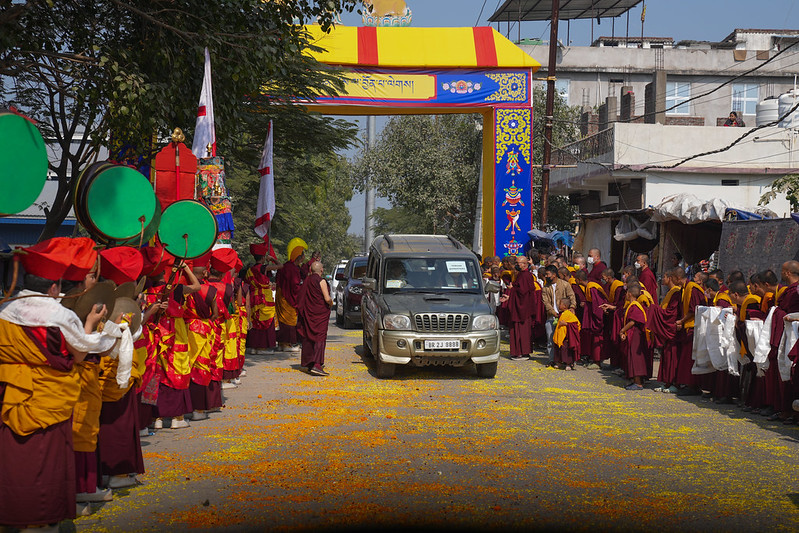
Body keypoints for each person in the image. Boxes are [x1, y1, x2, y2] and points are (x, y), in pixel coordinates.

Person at [0, 237, 114, 529]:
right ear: (53, 287)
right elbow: (78, 353)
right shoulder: (58, 314)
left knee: (13, 458)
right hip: (50, 397)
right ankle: (42, 519)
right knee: (46, 459)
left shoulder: (5, 309)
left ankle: (10, 514)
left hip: (11, 392)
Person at [674, 267, 707, 395]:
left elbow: (694, 310)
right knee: (686, 357)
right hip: (688, 326)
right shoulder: (685, 288)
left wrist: (682, 321)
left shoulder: (692, 289)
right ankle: (689, 384)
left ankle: (692, 385)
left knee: (690, 358)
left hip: (694, 327)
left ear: (677, 278)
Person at [297, 261, 333, 376]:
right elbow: (327, 299)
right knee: (319, 338)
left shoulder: (306, 281)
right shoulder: (321, 281)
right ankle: (317, 365)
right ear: (321, 270)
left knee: (308, 337)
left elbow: (301, 298)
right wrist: (331, 303)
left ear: (310, 270)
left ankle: (309, 364)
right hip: (319, 315)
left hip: (309, 314)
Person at [649, 268, 682, 393]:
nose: (662, 279)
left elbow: (671, 313)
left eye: (664, 277)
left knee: (672, 356)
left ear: (671, 278)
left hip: (673, 328)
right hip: (667, 327)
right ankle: (666, 382)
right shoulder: (670, 292)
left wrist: (654, 310)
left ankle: (674, 383)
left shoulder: (676, 292)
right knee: (666, 355)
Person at [245, 242, 281, 355]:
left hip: (253, 297)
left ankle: (254, 346)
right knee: (266, 320)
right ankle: (263, 347)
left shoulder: (250, 269)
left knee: (255, 321)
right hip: (264, 298)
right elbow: (281, 266)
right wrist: (273, 259)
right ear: (263, 258)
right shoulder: (263, 267)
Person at [499, 255, 537, 361]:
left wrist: (512, 289)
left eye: (518, 263)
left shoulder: (526, 275)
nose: (516, 265)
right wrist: (509, 296)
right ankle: (519, 352)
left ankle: (521, 352)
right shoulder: (521, 275)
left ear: (524, 264)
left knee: (522, 331)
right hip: (519, 306)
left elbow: (523, 292)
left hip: (523, 309)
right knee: (518, 330)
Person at [276, 238, 307, 352]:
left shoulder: (288, 266)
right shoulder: (291, 269)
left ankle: (281, 344)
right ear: (299, 258)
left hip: (282, 296)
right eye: (302, 258)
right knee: (289, 321)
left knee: (283, 321)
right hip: (287, 298)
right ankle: (286, 345)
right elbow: (294, 286)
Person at [542, 265, 576, 367]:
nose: (546, 276)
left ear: (554, 275)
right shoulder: (545, 288)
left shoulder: (565, 285)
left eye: (548, 274)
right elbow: (546, 302)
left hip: (565, 316)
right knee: (551, 339)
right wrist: (553, 312)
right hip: (551, 316)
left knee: (565, 340)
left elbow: (572, 297)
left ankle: (567, 360)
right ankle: (552, 359)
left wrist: (572, 307)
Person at [575, 268, 608, 369]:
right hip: (592, 316)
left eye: (576, 279)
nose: (575, 281)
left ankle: (597, 362)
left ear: (579, 279)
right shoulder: (589, 286)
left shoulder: (592, 288)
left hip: (596, 317)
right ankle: (594, 360)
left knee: (597, 338)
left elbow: (597, 304)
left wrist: (598, 319)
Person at [619, 284, 649, 391]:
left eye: (626, 293)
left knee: (636, 358)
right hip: (633, 334)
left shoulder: (635, 306)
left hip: (636, 335)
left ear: (630, 294)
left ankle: (638, 383)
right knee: (632, 357)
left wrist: (622, 330)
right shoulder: (632, 305)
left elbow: (633, 321)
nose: (626, 295)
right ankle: (635, 381)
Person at [552, 297, 580, 370]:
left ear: (564, 306)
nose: (558, 305)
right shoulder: (562, 314)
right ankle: (559, 363)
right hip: (560, 335)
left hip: (566, 337)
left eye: (560, 304)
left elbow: (576, 325)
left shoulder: (569, 314)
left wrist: (566, 324)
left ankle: (568, 364)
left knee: (567, 351)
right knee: (558, 350)